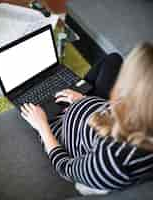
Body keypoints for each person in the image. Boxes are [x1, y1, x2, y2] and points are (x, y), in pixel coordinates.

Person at [21, 42, 153, 195]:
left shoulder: (113, 160)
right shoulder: (142, 114)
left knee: (34, 101)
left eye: (125, 79)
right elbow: (113, 109)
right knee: (113, 60)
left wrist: (42, 125)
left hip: (58, 125)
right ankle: (70, 83)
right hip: (88, 106)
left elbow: (66, 168)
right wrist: (83, 99)